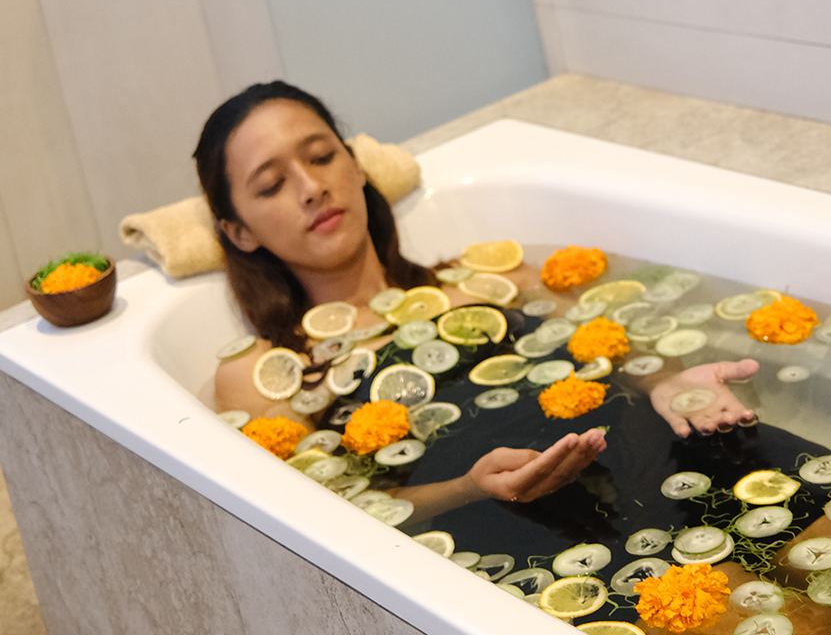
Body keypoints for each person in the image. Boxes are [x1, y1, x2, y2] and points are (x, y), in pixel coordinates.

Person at [196, 81, 759, 521]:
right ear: (238, 231)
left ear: (356, 164)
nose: (311, 187)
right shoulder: (266, 374)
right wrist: (466, 489)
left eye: (321, 156)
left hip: (674, 445)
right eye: (271, 185)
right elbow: (327, 513)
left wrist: (667, 380)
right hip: (534, 526)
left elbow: (613, 340)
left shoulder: (491, 276)